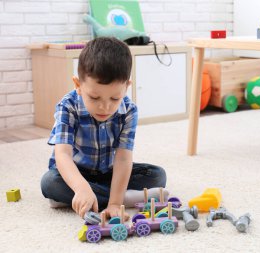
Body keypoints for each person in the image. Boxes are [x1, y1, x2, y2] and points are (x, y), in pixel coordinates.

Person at [40, 37, 167, 220]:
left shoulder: (129, 111)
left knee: (157, 176)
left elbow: (123, 159)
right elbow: (63, 155)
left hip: (108, 172)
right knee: (50, 183)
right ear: (78, 86)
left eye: (115, 99)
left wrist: (115, 204)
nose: (105, 107)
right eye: (94, 97)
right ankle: (117, 196)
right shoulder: (67, 106)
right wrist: (81, 187)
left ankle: (101, 198)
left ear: (126, 87)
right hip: (75, 173)